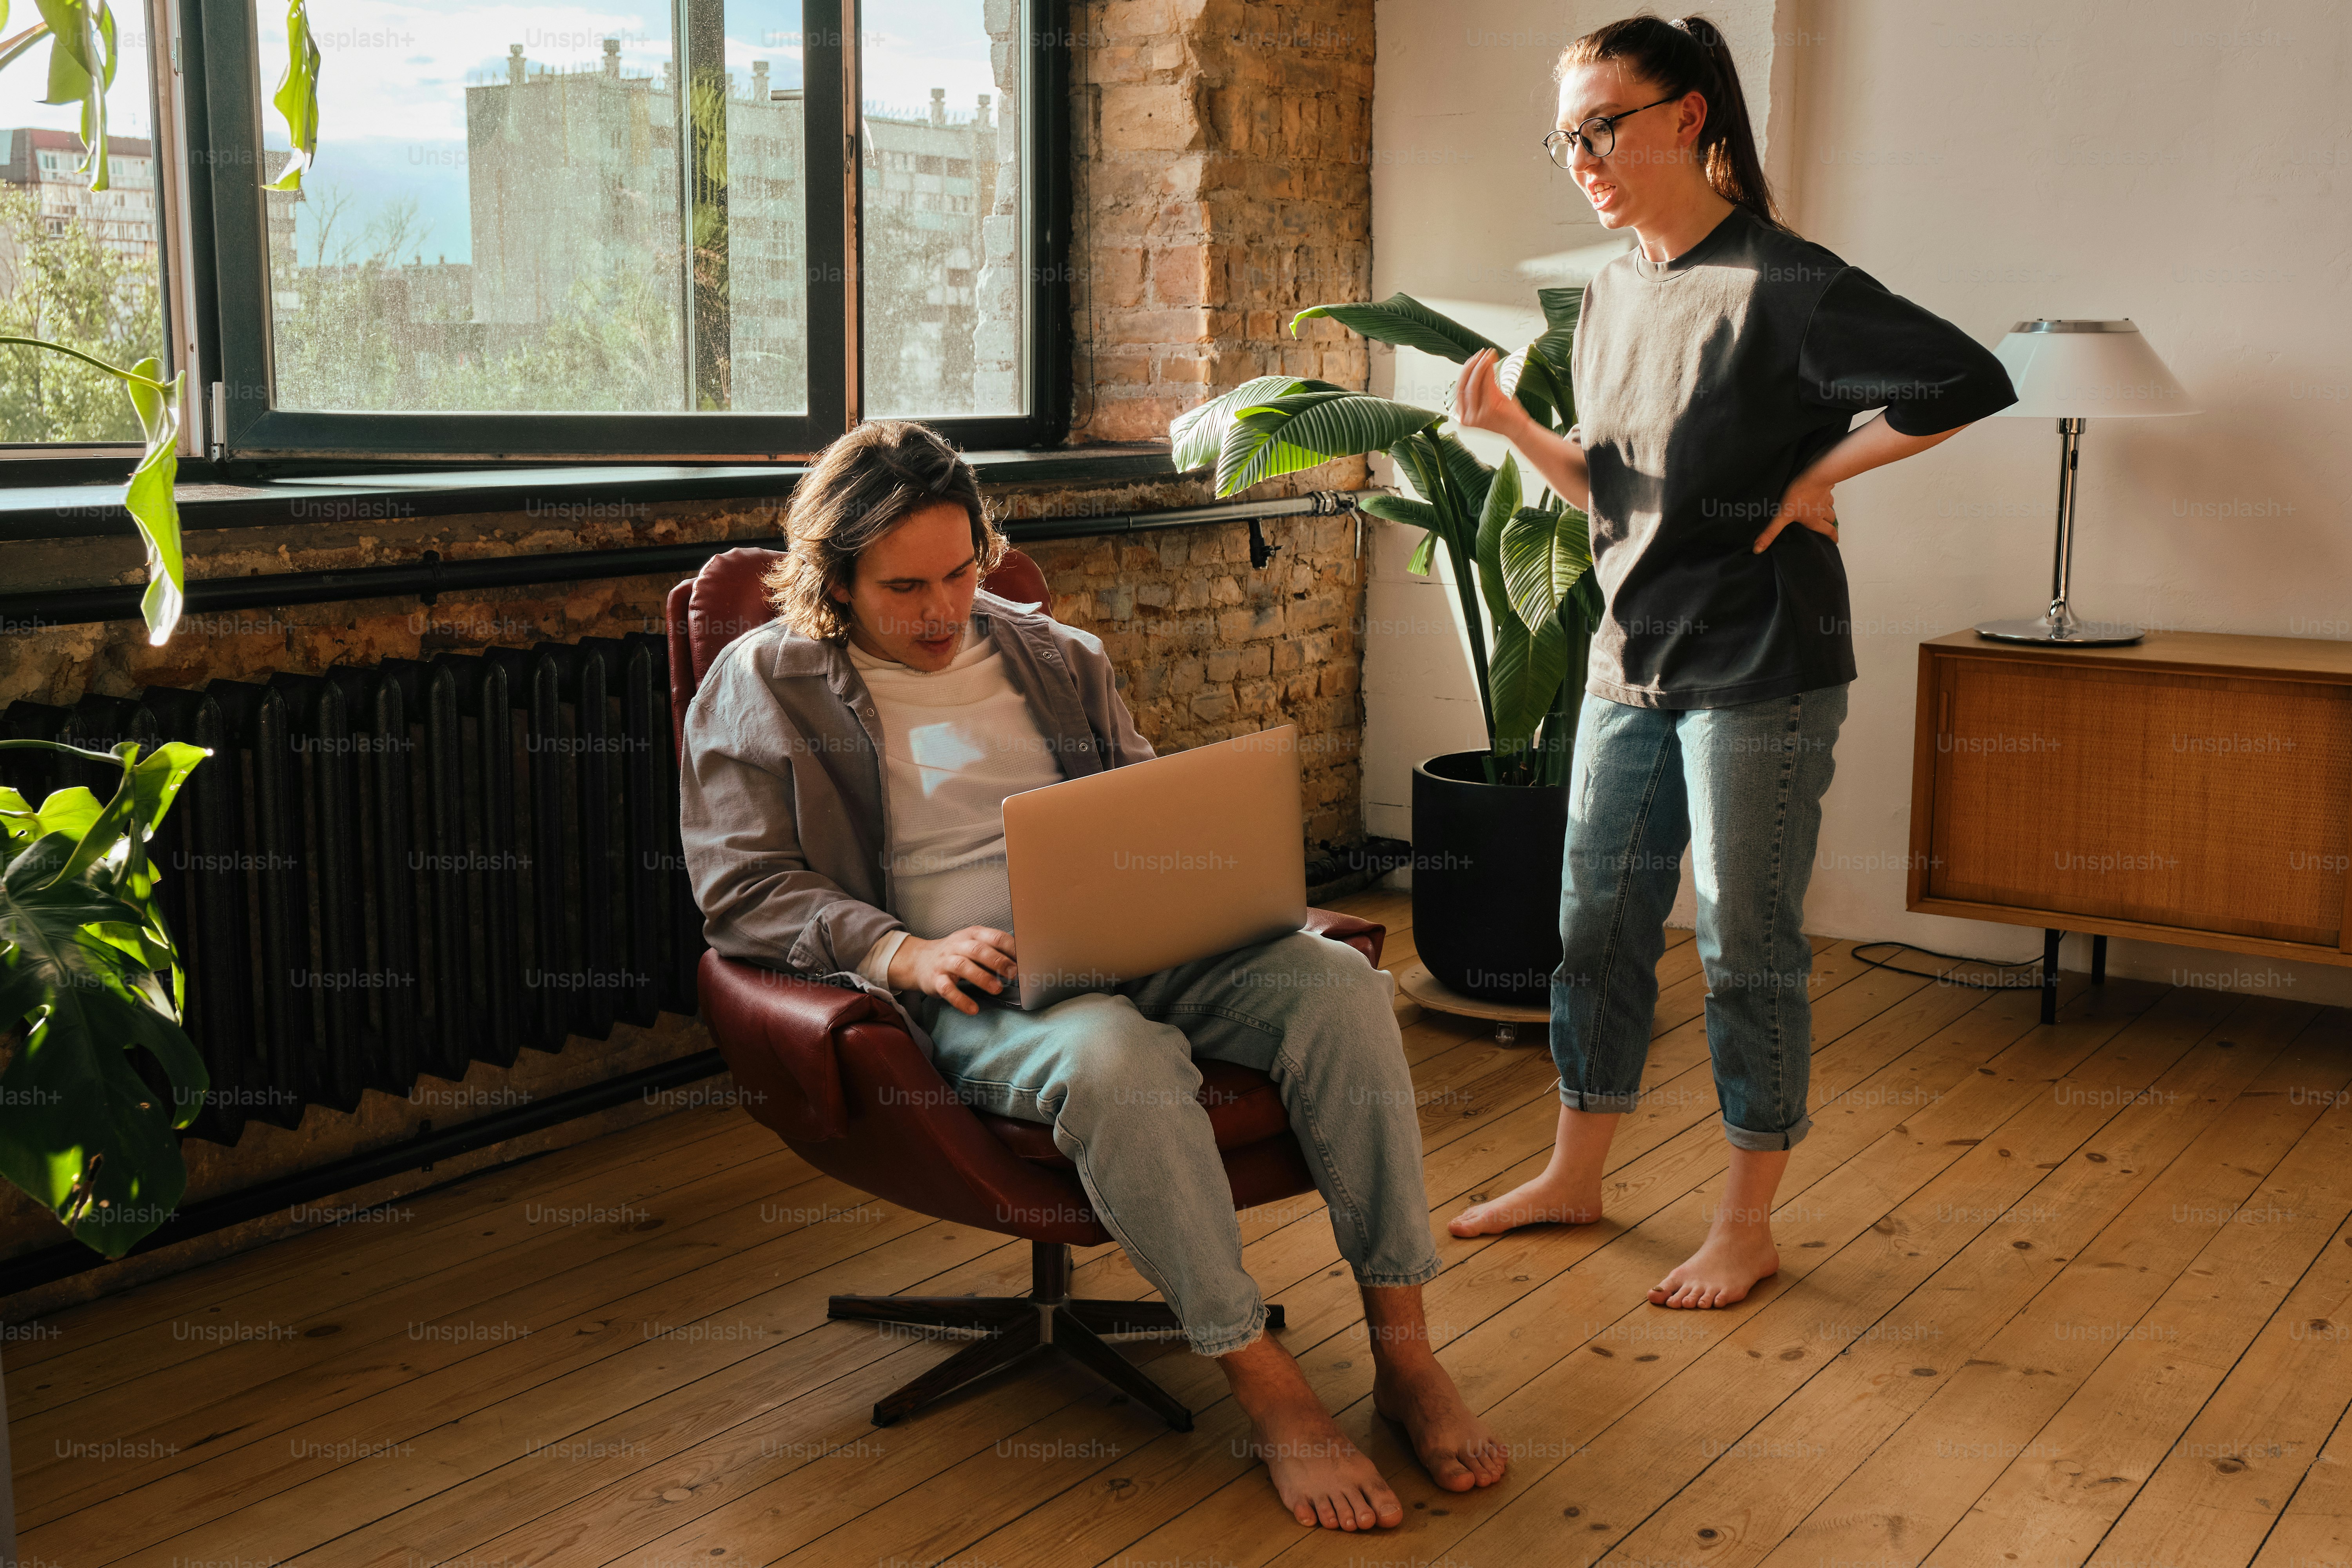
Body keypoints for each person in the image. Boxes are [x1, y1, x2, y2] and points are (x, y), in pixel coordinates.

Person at [679, 420, 1507, 1530]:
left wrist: (1201, 871)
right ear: (833, 576)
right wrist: (904, 952)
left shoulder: (1054, 654)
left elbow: (1140, 807)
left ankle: (1406, 1357)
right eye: (903, 587)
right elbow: (741, 888)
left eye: (962, 571)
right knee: (1117, 1057)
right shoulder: (768, 678)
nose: (941, 612)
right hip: (967, 987)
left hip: (1129, 936)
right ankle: (1269, 1391)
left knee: (1338, 985)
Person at [1444, 15, 2016, 1308]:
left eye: (1605, 123)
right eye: (1566, 136)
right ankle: (1574, 1172)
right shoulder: (1608, 290)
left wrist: (1820, 469)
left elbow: (1969, 377)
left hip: (1763, 662)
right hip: (1628, 659)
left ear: (1691, 116)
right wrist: (1513, 427)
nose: (1583, 154)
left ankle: (1746, 1220)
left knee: (1745, 944)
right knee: (1595, 928)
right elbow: (1619, 490)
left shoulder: (1784, 282)